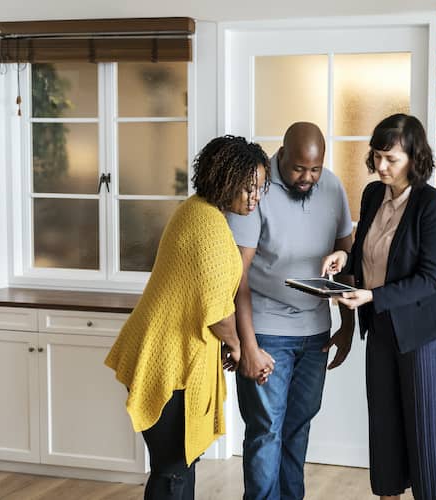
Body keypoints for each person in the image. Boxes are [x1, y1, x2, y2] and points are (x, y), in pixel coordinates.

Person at [105, 135, 274, 500]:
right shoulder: (207, 225)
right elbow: (216, 310)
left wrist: (233, 346)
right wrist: (241, 349)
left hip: (173, 354)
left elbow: (208, 300)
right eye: (248, 188)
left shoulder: (200, 212)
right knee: (173, 469)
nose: (255, 197)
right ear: (223, 179)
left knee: (178, 465)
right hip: (167, 360)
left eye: (260, 189)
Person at [321, 114, 436, 500]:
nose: (381, 166)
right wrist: (342, 260)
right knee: (384, 427)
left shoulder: (433, 206)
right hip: (380, 327)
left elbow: (430, 279)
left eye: (391, 159)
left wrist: (373, 296)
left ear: (415, 158)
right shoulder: (371, 194)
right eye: (377, 156)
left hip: (422, 335)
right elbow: (369, 251)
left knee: (427, 433)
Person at [227, 121, 356, 500]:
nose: (307, 177)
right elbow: (239, 276)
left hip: (315, 332)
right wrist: (247, 346)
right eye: (299, 168)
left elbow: (346, 260)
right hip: (267, 331)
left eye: (314, 169)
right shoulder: (256, 190)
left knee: (298, 426)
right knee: (266, 430)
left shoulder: (331, 186)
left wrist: (346, 325)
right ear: (281, 154)